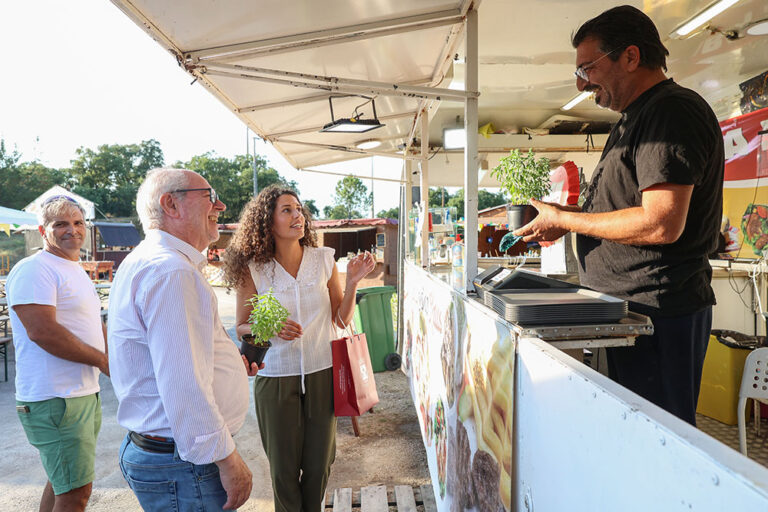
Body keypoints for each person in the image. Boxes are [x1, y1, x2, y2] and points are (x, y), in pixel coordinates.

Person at [516, 5, 724, 425]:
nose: (581, 82)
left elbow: (662, 222)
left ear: (630, 56)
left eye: (588, 67)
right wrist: (559, 216)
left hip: (658, 314)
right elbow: (623, 210)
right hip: (630, 312)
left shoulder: (672, 112)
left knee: (657, 443)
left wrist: (567, 220)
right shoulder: (637, 117)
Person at [108, 168, 260, 511]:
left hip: (170, 456)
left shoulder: (154, 262)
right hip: (185, 465)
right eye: (209, 196)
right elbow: (183, 384)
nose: (220, 205)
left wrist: (225, 365)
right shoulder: (170, 271)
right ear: (170, 205)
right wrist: (227, 459)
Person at [223, 185, 375, 512]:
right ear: (268, 221)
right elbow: (242, 326)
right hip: (276, 378)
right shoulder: (254, 269)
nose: (298, 216)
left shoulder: (323, 260)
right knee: (283, 472)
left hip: (322, 371)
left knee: (320, 465)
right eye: (287, 210)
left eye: (299, 209)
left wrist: (351, 284)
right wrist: (271, 326)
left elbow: (340, 318)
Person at [6, 195, 109, 512]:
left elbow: (91, 324)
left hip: (79, 393)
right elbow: (43, 332)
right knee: (76, 492)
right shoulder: (34, 269)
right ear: (42, 229)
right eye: (60, 223)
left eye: (78, 223)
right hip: (56, 398)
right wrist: (105, 363)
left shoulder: (73, 268)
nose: (72, 230)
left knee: (64, 482)